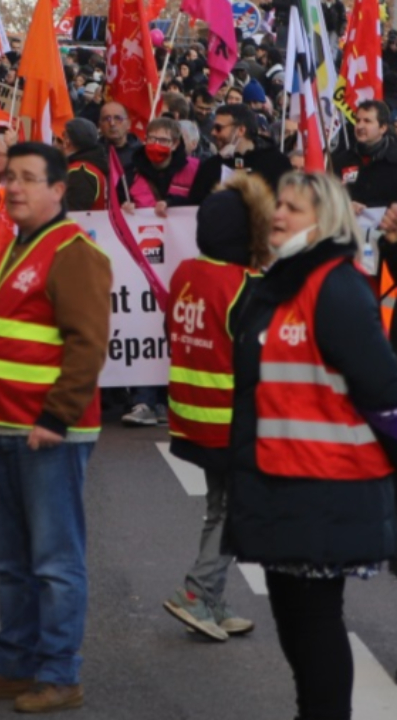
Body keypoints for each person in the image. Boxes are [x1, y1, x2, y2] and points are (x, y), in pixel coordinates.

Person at [0, 142, 112, 714]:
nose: (12, 187)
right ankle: (12, 665)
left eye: (27, 178)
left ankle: (60, 674)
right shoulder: (19, 247)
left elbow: (87, 346)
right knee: (11, 560)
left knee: (54, 563)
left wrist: (55, 417)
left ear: (58, 190)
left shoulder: (73, 253)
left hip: (44, 432)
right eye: (9, 176)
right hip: (0, 424)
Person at [227, 172, 397, 720]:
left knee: (314, 623)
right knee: (295, 624)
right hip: (282, 482)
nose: (278, 214)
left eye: (294, 208)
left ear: (325, 222)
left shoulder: (335, 286)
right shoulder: (280, 281)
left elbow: (383, 390)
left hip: (326, 485)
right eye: (279, 203)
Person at [161, 174, 272, 642]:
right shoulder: (249, 286)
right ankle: (196, 591)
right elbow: (264, 363)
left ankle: (211, 600)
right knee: (235, 511)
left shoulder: (186, 272)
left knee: (219, 507)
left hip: (192, 414)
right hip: (232, 419)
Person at [188, 104, 293, 205]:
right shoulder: (211, 166)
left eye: (219, 128)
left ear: (241, 130)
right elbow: (195, 204)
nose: (213, 133)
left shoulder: (277, 163)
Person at [331, 100, 397, 211]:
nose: (360, 126)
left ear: (383, 128)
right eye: (358, 121)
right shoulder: (340, 160)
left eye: (367, 121)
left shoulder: (393, 160)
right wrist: (344, 204)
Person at [128, 117, 199, 217]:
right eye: (151, 139)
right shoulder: (131, 171)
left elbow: (201, 201)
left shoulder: (195, 169)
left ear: (175, 144)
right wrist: (125, 206)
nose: (156, 145)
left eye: (163, 140)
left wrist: (171, 202)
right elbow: (119, 201)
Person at [61, 117, 108, 211]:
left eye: (63, 137)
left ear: (68, 141)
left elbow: (73, 211)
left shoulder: (80, 172)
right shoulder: (92, 166)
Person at [99, 101, 141, 190]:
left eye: (118, 118)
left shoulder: (141, 154)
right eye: (106, 119)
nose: (112, 123)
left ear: (128, 124)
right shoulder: (93, 155)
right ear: (100, 125)